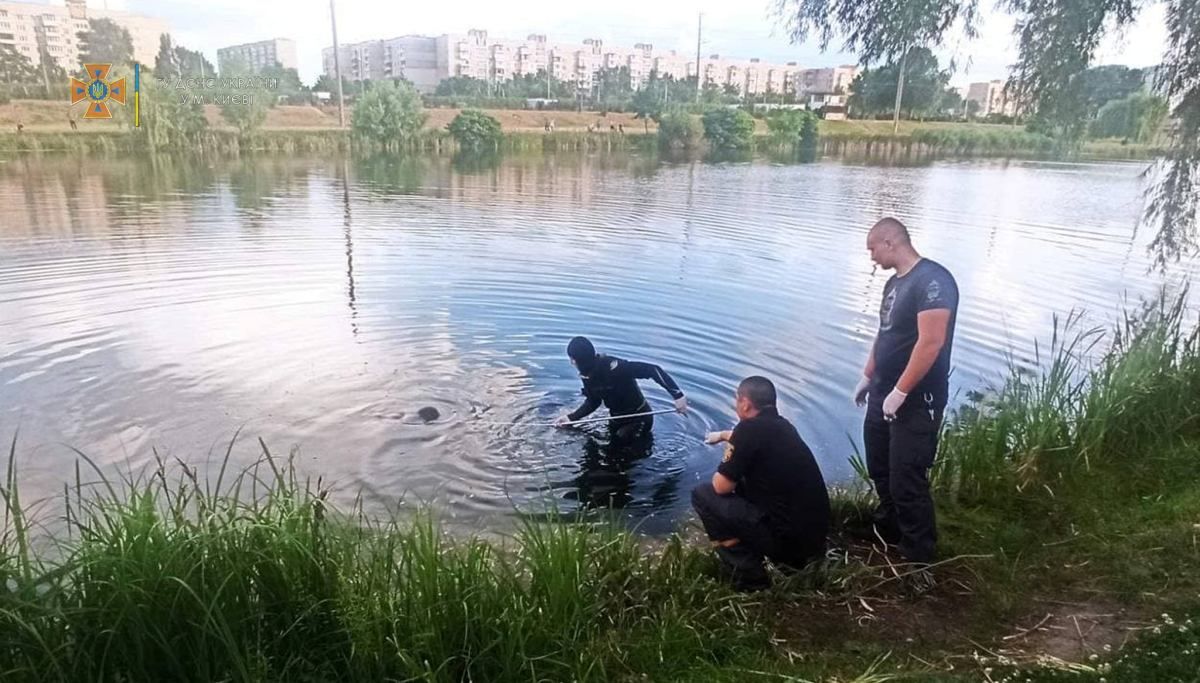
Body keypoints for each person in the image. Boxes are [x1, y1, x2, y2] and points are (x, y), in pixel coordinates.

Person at [853, 217, 959, 566]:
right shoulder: (892, 284)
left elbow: (931, 343)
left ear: (890, 243)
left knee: (907, 477)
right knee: (879, 466)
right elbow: (885, 332)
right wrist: (869, 375)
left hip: (917, 399)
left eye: (872, 248)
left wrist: (901, 391)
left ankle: (919, 557)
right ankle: (890, 527)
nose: (871, 257)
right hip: (884, 389)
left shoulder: (933, 281)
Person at [693, 376, 830, 590]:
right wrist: (722, 436)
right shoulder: (784, 426)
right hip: (814, 539)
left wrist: (729, 454)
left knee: (703, 495)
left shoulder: (747, 429)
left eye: (737, 400)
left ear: (745, 403)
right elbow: (748, 441)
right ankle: (785, 563)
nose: (736, 404)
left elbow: (721, 486)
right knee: (747, 485)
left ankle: (749, 576)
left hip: (787, 544)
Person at [555, 336, 687, 442]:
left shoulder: (615, 368)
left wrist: (678, 396)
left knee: (619, 445)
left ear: (575, 360)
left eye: (572, 359)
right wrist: (571, 418)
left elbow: (652, 370)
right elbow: (593, 402)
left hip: (639, 417)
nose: (571, 363)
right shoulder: (587, 375)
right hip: (617, 419)